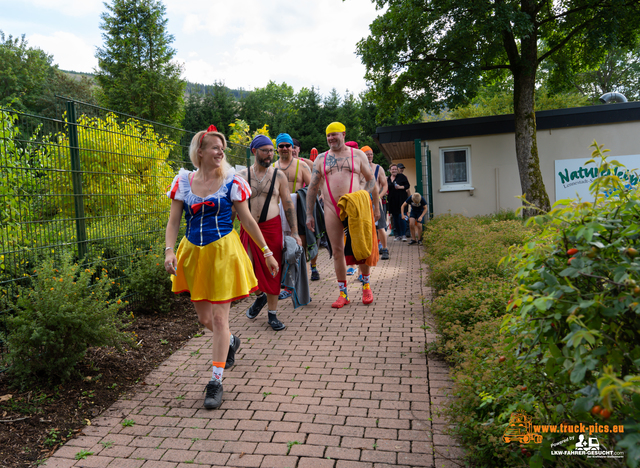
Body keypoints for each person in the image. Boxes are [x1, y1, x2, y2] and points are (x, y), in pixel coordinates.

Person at [164, 125, 278, 410]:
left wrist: (266, 251)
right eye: (215, 147)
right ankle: (230, 342)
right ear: (199, 152)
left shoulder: (231, 181)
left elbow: (248, 221)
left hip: (224, 253)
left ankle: (215, 381)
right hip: (193, 254)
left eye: (222, 147)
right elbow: (174, 222)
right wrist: (168, 250)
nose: (221, 151)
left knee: (218, 320)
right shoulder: (183, 181)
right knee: (205, 320)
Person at [306, 122, 380, 308]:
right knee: (337, 251)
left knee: (360, 247)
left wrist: (370, 203)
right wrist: (309, 214)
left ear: (343, 134)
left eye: (335, 135)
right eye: (328, 135)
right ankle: (343, 293)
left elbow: (372, 181)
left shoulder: (358, 155)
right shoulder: (321, 159)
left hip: (355, 208)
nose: (331, 138)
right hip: (331, 208)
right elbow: (313, 188)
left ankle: (366, 286)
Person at [238, 135, 302, 331]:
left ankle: (272, 314)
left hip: (271, 227)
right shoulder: (241, 176)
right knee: (244, 267)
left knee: (272, 272)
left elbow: (288, 204)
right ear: (254, 152)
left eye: (271, 151)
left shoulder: (278, 176)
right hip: (248, 228)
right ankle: (260, 296)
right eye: (265, 150)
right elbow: (233, 206)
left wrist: (295, 232)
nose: (270, 154)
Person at [274, 133, 319, 287]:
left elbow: (313, 188)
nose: (285, 148)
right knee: (280, 249)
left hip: (297, 212)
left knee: (299, 250)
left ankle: (300, 288)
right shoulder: (273, 167)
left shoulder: (301, 165)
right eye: (281, 146)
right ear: (277, 148)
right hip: (278, 213)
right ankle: (286, 284)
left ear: (293, 148)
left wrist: (303, 203)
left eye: (288, 145)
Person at [361, 145, 389, 260]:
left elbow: (385, 185)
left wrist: (379, 197)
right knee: (366, 227)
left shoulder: (378, 168)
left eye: (371, 154)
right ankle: (370, 249)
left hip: (376, 203)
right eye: (367, 154)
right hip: (364, 202)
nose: (369, 156)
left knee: (381, 227)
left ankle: (385, 249)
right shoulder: (359, 168)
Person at [387, 164, 410, 241]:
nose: (394, 171)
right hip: (392, 201)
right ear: (390, 170)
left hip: (401, 200)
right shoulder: (388, 179)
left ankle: (404, 235)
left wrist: (400, 187)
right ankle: (398, 235)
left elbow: (407, 185)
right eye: (392, 169)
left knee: (401, 216)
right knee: (395, 218)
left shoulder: (402, 177)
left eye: (395, 169)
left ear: (397, 170)